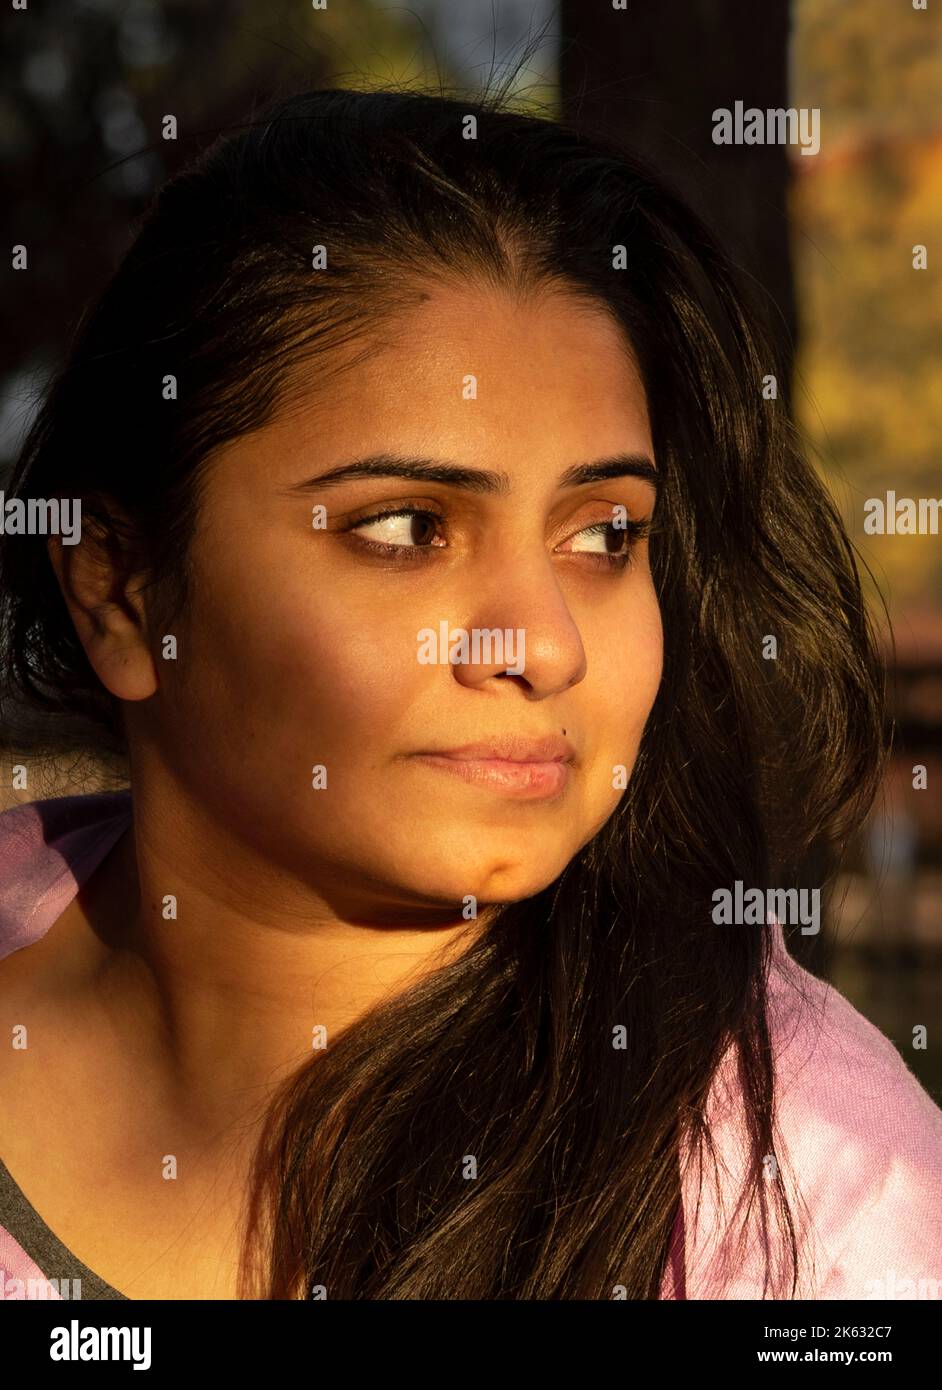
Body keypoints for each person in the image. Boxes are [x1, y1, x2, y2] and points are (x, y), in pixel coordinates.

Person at [0, 85, 939, 1302]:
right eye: (407, 527)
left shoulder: (823, 1213)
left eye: (605, 534)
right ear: (124, 593)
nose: (545, 645)